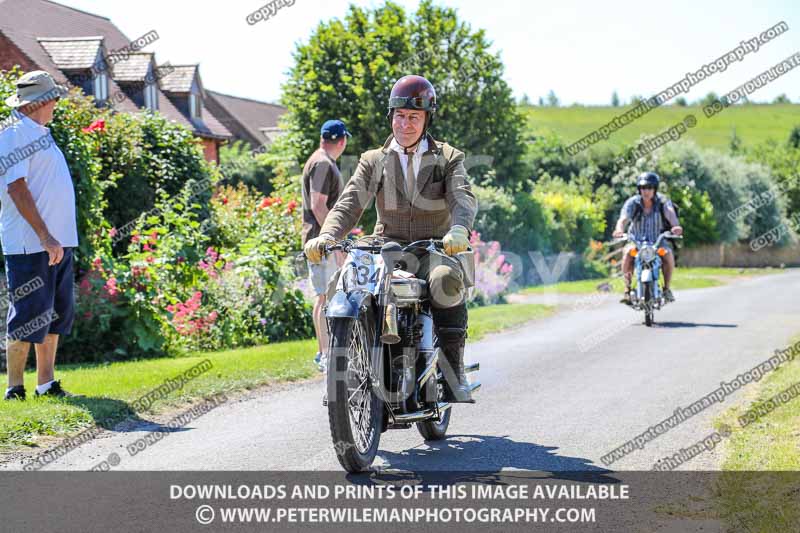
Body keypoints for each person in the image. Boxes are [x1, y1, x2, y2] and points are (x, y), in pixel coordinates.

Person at [304, 75, 478, 403]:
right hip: (387, 247)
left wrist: (458, 230)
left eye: (414, 117)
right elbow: (351, 201)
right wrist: (327, 235)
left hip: (433, 247)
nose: (405, 124)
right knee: (345, 281)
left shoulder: (448, 157)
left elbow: (462, 197)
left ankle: (454, 371)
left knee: (444, 282)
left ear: (427, 120)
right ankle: (349, 367)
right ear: (391, 117)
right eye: (399, 116)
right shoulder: (374, 160)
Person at [0, 71, 78, 400]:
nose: (57, 105)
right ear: (41, 102)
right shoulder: (14, 133)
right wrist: (45, 236)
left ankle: (46, 384)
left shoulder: (40, 132)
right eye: (54, 99)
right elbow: (16, 187)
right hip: (31, 244)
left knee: (55, 314)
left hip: (57, 243)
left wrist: (55, 238)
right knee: (27, 315)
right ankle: (14, 388)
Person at [301, 119, 350, 373]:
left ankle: (327, 353)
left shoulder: (321, 160)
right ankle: (325, 354)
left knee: (326, 296)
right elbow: (318, 205)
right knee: (324, 297)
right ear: (341, 141)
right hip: (322, 244)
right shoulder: (322, 163)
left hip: (321, 242)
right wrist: (335, 241)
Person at [612, 172, 683, 305]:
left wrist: (676, 226)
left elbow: (671, 214)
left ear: (655, 189)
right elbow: (623, 218)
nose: (646, 191)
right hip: (636, 242)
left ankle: (666, 289)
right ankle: (627, 290)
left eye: (649, 187)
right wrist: (619, 229)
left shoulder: (662, 201)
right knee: (627, 253)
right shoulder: (633, 202)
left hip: (657, 242)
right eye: (643, 188)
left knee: (667, 255)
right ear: (639, 189)